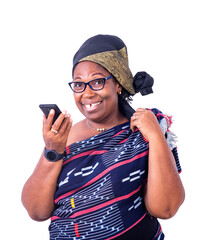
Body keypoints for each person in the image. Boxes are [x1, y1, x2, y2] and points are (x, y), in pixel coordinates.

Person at [21, 34, 185, 240]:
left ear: (117, 84)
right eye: (79, 84)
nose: (87, 93)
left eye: (97, 82)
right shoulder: (64, 136)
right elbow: (36, 211)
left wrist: (156, 136)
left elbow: (166, 208)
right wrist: (52, 152)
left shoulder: (142, 132)